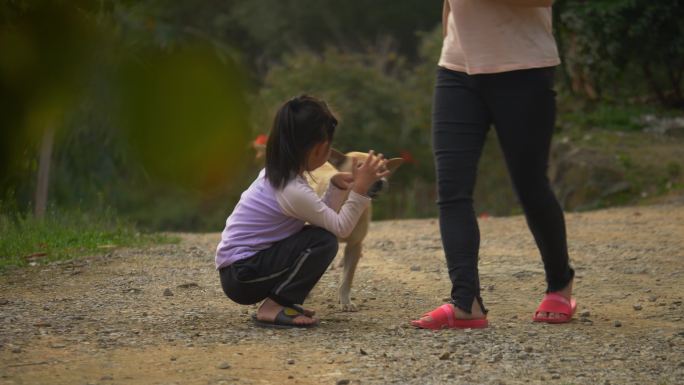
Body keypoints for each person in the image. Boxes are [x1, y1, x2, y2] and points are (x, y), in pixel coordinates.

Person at [411, 0, 576, 330]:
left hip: (524, 69)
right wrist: (451, 43)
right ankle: (466, 302)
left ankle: (560, 285)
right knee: (451, 188)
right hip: (457, 72)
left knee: (529, 183)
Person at [216, 95, 389, 328]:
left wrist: (337, 186)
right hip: (243, 276)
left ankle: (282, 300)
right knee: (324, 242)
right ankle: (273, 306)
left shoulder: (282, 175)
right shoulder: (291, 189)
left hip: (241, 270)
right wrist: (361, 190)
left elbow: (324, 221)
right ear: (319, 148)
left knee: (319, 237)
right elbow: (341, 229)